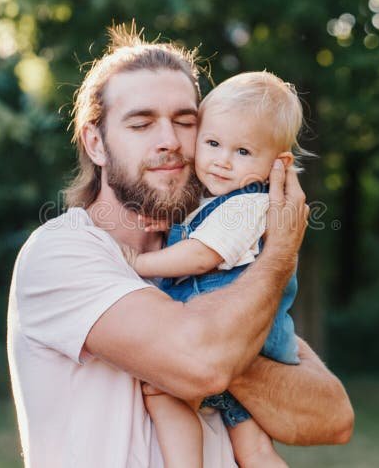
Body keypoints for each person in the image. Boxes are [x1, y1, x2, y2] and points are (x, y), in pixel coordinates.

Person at [7, 23, 353, 467]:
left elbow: (333, 418)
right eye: (141, 123)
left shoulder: (220, 256)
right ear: (95, 143)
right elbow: (202, 365)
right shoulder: (61, 253)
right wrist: (280, 255)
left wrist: (225, 340)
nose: (169, 141)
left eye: (186, 122)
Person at [123, 71, 307, 467]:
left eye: (243, 152)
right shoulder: (213, 201)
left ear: (278, 164)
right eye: (212, 143)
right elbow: (196, 230)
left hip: (233, 340)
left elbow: (200, 256)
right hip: (243, 346)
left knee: (164, 393)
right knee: (254, 449)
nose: (223, 160)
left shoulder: (249, 204)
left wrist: (138, 262)